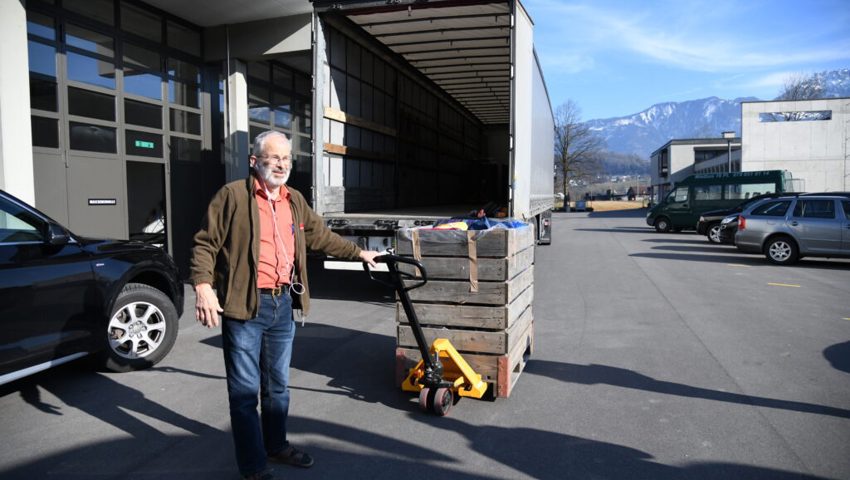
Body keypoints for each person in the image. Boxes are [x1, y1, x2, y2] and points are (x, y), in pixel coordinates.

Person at [190, 130, 380, 480]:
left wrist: (359, 252)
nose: (281, 164)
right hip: (244, 306)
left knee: (277, 387)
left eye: (286, 159)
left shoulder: (293, 200)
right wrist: (203, 287)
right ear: (254, 161)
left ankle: (276, 445)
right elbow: (205, 244)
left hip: (281, 304)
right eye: (273, 158)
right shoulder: (232, 196)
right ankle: (253, 466)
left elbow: (320, 236)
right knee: (245, 393)